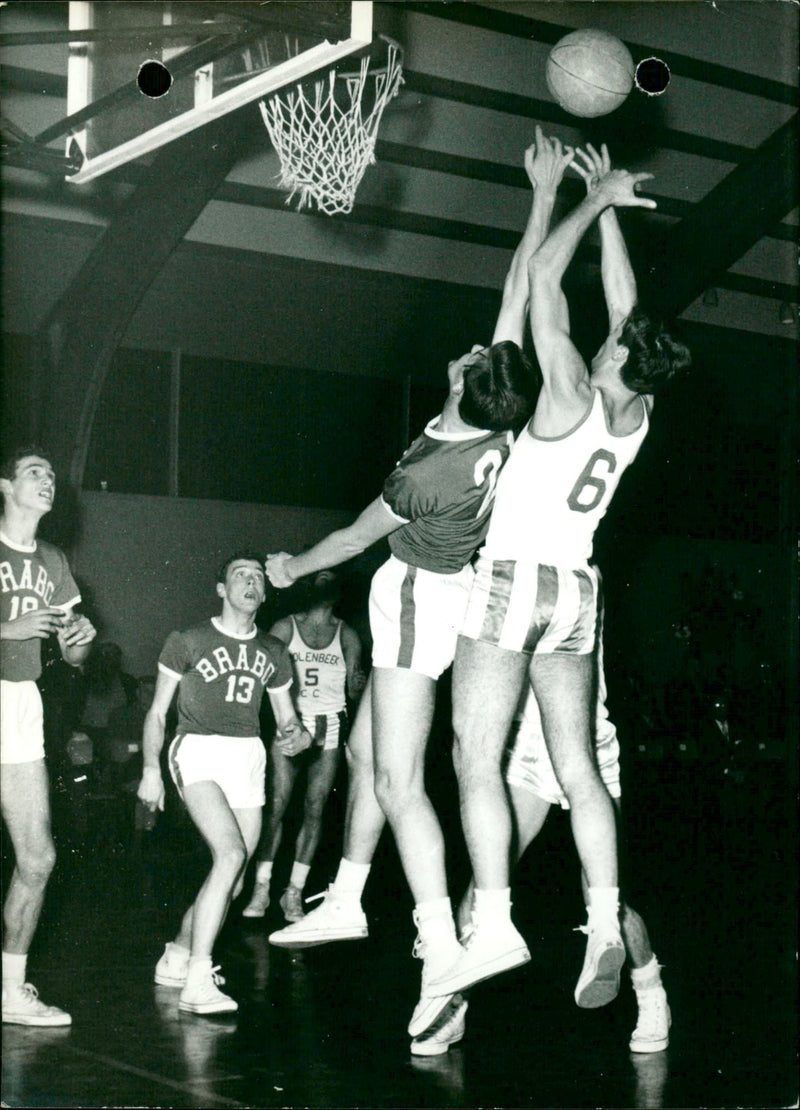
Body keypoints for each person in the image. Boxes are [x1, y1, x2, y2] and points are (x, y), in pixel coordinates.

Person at [265, 131, 572, 1044]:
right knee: (365, 757)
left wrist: (288, 569)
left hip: (410, 598)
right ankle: (349, 896)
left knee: (399, 780)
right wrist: (542, 199)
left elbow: (352, 540)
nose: (477, 348)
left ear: (464, 383)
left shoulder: (428, 470)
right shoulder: (498, 426)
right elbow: (519, 289)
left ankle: (442, 944)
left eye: (475, 358)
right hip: (461, 598)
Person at [433, 142, 690, 1005]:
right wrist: (610, 202)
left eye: (618, 340)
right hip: (579, 596)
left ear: (617, 355)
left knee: (476, 756)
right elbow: (630, 308)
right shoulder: (637, 411)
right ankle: (606, 920)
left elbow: (544, 275)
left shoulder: (571, 387)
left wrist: (577, 203)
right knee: (578, 767)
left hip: (512, 581)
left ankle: (496, 921)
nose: (612, 334)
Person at [442, 631, 671, 1057]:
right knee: (482, 887)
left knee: (604, 899)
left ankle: (651, 993)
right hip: (524, 745)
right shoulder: (492, 574)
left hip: (582, 740)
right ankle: (452, 1006)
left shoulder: (578, 573)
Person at [137, 551, 311, 1015]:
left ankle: (177, 954)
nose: (252, 583)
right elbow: (157, 712)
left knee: (232, 881)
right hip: (197, 749)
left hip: (248, 757)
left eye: (258, 576)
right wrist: (151, 770)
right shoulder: (188, 640)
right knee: (230, 854)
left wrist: (299, 736)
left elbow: (289, 720)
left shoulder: (274, 652)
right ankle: (198, 980)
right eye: (241, 575)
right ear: (221, 589)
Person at [1, 446, 97, 1026]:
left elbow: (77, 655)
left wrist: (78, 637)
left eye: (52, 474)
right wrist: (8, 625)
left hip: (18, 703)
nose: (48, 480)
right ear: (5, 485)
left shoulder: (55, 560)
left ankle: (10, 990)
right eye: (35, 472)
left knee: (38, 857)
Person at [242, 570, 365, 922]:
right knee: (277, 805)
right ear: (308, 587)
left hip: (330, 723)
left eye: (331, 580)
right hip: (290, 722)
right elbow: (260, 675)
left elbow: (355, 690)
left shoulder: (347, 633)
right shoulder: (284, 627)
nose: (324, 586)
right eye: (319, 580)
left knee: (315, 807)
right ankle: (261, 887)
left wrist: (359, 681)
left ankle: (293, 891)